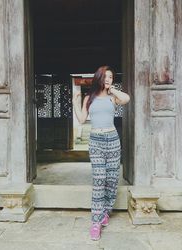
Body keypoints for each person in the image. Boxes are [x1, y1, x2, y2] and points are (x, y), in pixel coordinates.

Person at [72, 65, 130, 241]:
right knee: (99, 179)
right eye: (105, 77)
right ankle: (96, 222)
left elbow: (126, 99)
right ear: (98, 78)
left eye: (111, 77)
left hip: (112, 140)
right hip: (96, 141)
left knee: (112, 180)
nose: (108, 79)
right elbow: (82, 120)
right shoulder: (89, 98)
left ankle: (106, 211)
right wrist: (75, 102)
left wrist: (112, 89)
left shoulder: (113, 98)